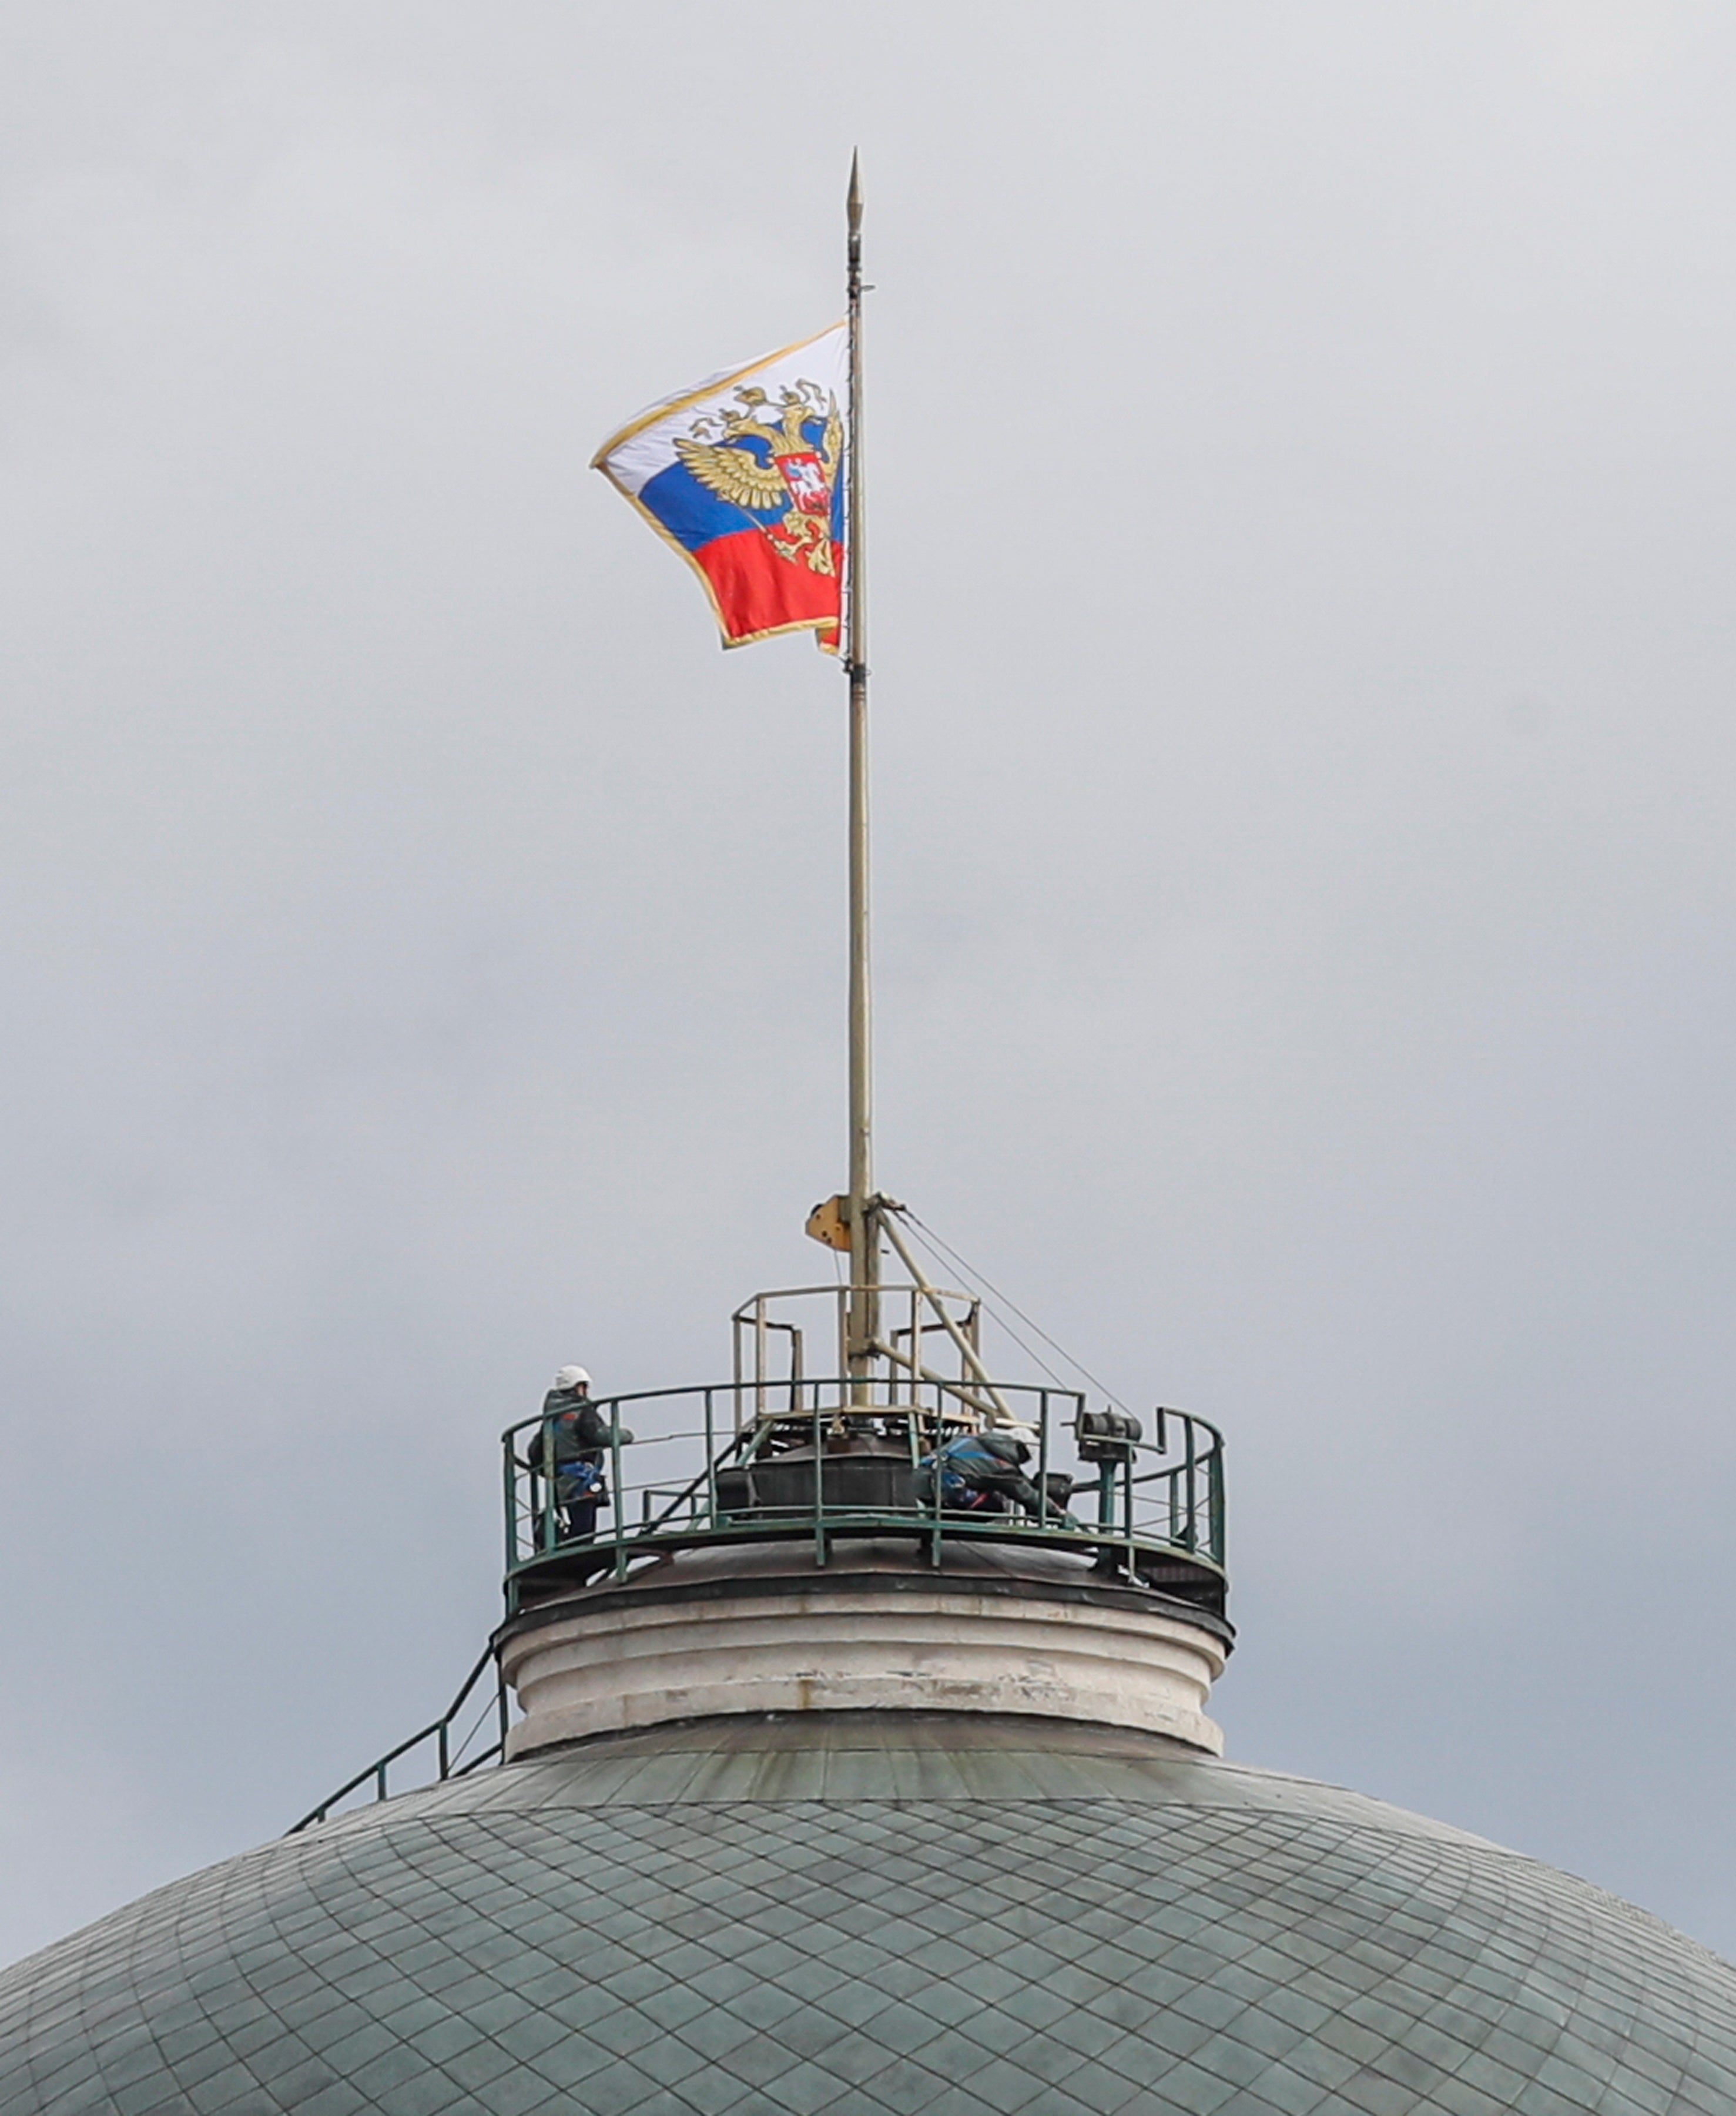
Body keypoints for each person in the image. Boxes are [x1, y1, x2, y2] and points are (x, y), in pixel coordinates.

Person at [525, 1366, 631, 1544]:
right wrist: (624, 1435)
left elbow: (534, 1451)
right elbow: (598, 1435)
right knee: (585, 1530)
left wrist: (551, 1472)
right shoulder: (583, 1411)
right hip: (582, 1478)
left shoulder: (552, 1417)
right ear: (578, 1387)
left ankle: (558, 1542)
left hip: (561, 1481)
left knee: (578, 1525)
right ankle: (571, 1546)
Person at [921, 1425, 1078, 1526]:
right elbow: (1023, 1492)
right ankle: (949, 1524)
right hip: (944, 1491)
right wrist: (1058, 1512)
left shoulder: (973, 1440)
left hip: (922, 1479)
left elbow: (1017, 1480)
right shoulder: (1001, 1466)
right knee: (997, 1504)